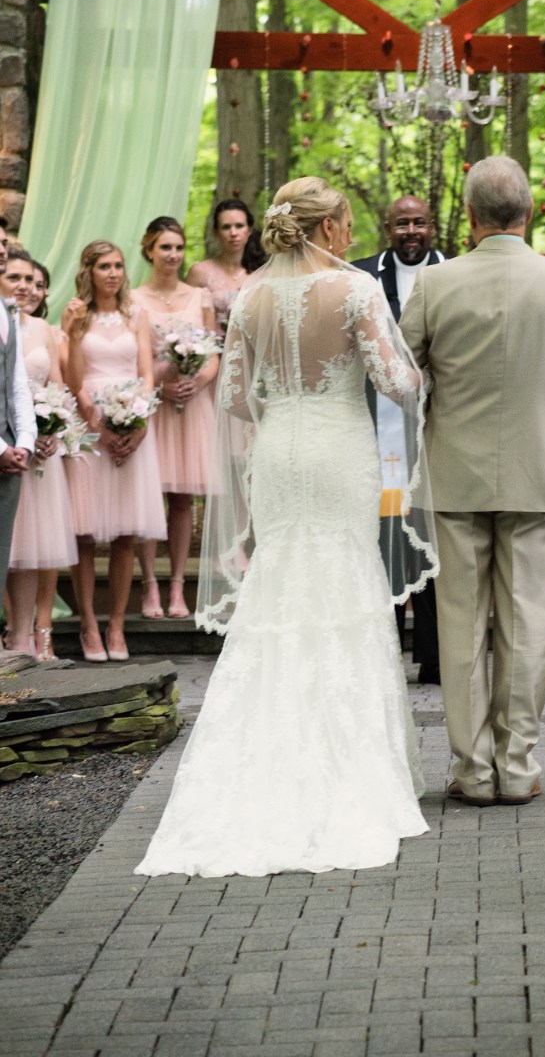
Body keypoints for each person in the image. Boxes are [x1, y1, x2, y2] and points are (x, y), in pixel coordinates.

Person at [135, 177, 437, 877]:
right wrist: (426, 372)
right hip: (340, 450)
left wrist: (289, 406)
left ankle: (260, 757)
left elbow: (237, 398)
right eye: (345, 222)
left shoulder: (250, 296)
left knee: (279, 587)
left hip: (277, 454)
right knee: (344, 584)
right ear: (326, 227)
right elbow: (395, 382)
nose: (350, 233)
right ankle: (351, 765)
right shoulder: (356, 290)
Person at [401, 156, 545, 807]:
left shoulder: (434, 284)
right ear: (530, 211)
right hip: (541, 477)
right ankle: (517, 767)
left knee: (459, 627)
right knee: (528, 624)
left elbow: (401, 382)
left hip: (452, 478)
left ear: (468, 216)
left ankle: (471, 770)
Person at [353, 195, 445, 684]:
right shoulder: (361, 276)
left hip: (441, 426)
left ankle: (435, 656)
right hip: (380, 429)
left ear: (433, 227)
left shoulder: (454, 272)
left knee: (432, 536)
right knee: (385, 535)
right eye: (402, 223)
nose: (411, 231)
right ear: (388, 229)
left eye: (419, 223)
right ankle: (383, 650)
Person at [61, 241, 166, 662]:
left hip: (133, 420)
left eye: (119, 265)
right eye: (104, 266)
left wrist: (139, 421)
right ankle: (89, 624)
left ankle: (117, 625)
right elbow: (73, 378)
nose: (114, 273)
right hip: (89, 427)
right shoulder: (75, 314)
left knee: (126, 533)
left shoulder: (136, 315)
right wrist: (96, 421)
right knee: (85, 533)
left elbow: (146, 374)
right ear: (89, 271)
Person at [132, 218, 219, 620]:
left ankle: (178, 584)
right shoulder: (134, 299)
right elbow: (133, 360)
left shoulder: (200, 297)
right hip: (153, 406)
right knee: (149, 496)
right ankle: (150, 584)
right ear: (149, 250)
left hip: (191, 406)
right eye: (165, 247)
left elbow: (213, 352)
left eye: (179, 247)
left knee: (183, 499)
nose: (173, 255)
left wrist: (197, 382)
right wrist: (158, 390)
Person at [1, 250, 76, 659]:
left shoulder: (43, 328)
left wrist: (52, 430)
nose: (26, 287)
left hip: (37, 453)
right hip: (7, 447)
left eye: (31, 280)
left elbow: (57, 387)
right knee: (8, 546)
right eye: (16, 277)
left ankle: (24, 640)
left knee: (29, 549)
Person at [0, 217, 36, 653]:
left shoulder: (7, 310)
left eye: (4, 242)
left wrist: (23, 441)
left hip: (10, 457)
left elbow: (17, 382)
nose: (1, 249)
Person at [186, 199, 254, 336]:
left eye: (239, 226)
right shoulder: (200, 272)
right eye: (226, 227)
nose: (233, 233)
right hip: (209, 346)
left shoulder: (258, 274)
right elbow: (187, 318)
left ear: (249, 230)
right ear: (216, 232)